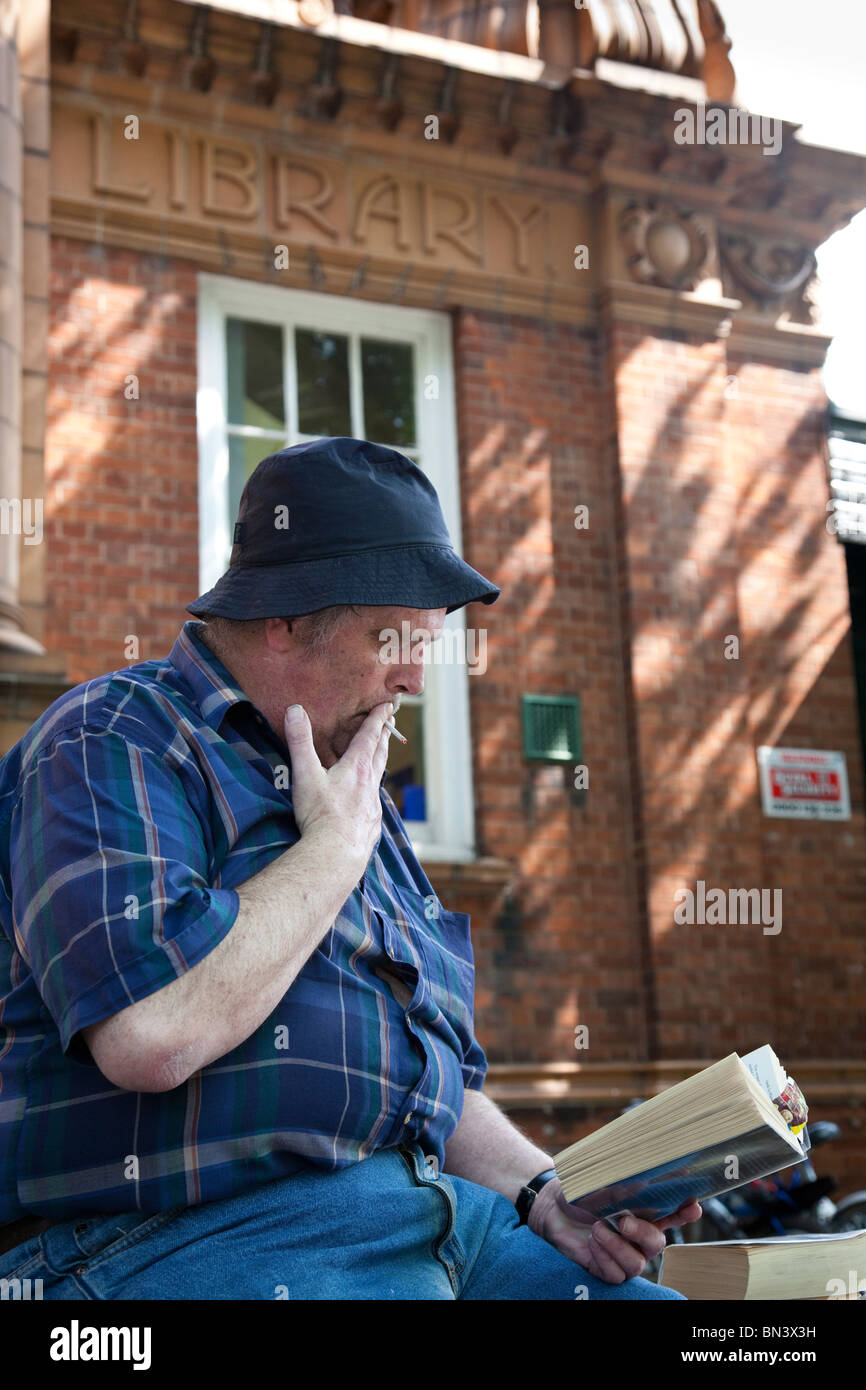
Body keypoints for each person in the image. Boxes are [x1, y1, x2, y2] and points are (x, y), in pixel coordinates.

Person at [0, 436, 697, 1299]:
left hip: (447, 1220)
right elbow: (151, 1032)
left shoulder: (356, 795)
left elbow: (434, 1091)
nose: (414, 679)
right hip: (182, 1238)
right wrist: (331, 854)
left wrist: (546, 1193)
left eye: (427, 645)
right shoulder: (118, 736)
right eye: (387, 641)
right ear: (283, 618)